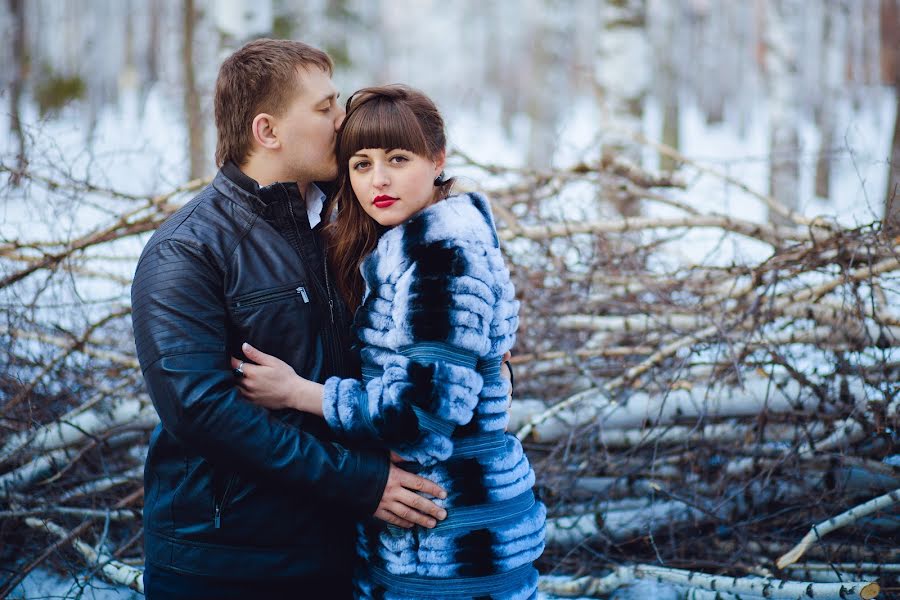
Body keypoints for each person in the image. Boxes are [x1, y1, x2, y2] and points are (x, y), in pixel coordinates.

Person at [130, 40, 449, 600]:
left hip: (342, 552)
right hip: (225, 562)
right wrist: (358, 481)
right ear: (267, 132)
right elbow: (202, 411)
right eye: (325, 108)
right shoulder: (186, 251)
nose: (342, 120)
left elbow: (414, 339)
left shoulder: (354, 222)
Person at [233, 85, 546, 599]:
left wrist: (297, 393)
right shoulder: (403, 249)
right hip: (434, 527)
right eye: (360, 163)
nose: (377, 179)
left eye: (398, 159)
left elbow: (417, 417)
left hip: (448, 537)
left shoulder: (439, 260)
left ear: (437, 158)